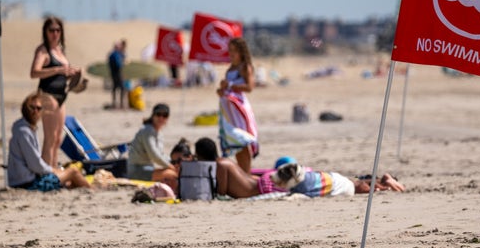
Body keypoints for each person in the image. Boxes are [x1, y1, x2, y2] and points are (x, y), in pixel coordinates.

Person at [194, 137, 404, 199]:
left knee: (351, 186)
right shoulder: (226, 161)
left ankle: (380, 184)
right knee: (346, 182)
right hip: (260, 184)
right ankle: (378, 181)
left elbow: (221, 191)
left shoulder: (220, 164)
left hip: (260, 188)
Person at [7, 92, 90, 191]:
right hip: (28, 183)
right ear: (25, 109)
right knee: (73, 172)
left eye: (38, 108)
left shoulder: (23, 128)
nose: (35, 111)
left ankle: (90, 189)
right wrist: (53, 170)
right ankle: (93, 190)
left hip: (22, 181)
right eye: (31, 108)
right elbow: (35, 165)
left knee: (69, 181)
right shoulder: (24, 132)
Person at [30, 15, 80, 168]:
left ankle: (54, 169)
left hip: (61, 95)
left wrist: (73, 73)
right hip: (47, 94)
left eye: (58, 30)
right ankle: (47, 171)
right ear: (45, 31)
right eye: (51, 30)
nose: (55, 33)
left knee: (58, 137)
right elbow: (34, 72)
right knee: (50, 137)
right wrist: (57, 69)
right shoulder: (43, 50)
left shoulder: (60, 50)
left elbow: (63, 72)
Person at [216, 37, 259, 174]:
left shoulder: (245, 67)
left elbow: (250, 87)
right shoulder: (230, 69)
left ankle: (246, 172)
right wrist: (222, 91)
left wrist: (229, 85)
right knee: (235, 141)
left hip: (240, 109)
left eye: (234, 51)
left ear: (241, 52)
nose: (231, 54)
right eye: (230, 51)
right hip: (229, 110)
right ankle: (243, 173)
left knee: (242, 139)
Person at [127, 103, 173, 181]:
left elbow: (161, 154)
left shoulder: (158, 133)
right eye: (158, 114)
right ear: (153, 116)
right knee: (171, 174)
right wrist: (171, 166)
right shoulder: (148, 131)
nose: (161, 118)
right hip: (137, 170)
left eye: (165, 115)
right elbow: (154, 155)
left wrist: (172, 162)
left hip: (148, 167)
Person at [108, 39, 127, 109]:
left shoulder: (114, 54)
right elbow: (118, 64)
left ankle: (115, 104)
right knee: (121, 88)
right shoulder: (115, 54)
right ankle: (120, 104)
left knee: (115, 88)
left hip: (114, 74)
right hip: (117, 73)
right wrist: (123, 63)